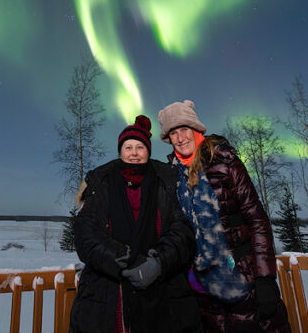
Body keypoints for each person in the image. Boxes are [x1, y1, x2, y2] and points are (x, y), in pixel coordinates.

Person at [158, 100, 291, 332]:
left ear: (196, 130)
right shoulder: (173, 176)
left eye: (184, 130)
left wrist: (265, 278)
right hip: (201, 285)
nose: (180, 138)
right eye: (174, 133)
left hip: (243, 275)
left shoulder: (225, 162)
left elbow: (257, 219)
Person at [70, 115, 203, 333]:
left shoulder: (166, 182)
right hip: (109, 294)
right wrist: (122, 260)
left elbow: (183, 231)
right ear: (120, 151)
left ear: (148, 152)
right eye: (128, 147)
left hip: (163, 290)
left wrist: (158, 262)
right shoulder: (101, 184)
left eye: (140, 147)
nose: (133, 153)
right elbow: (86, 233)